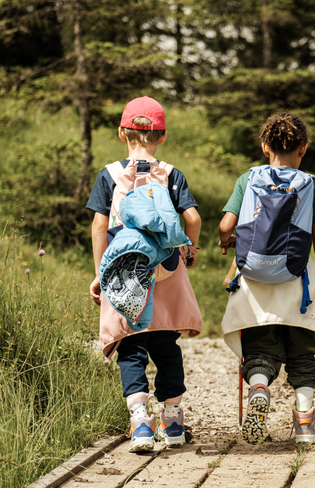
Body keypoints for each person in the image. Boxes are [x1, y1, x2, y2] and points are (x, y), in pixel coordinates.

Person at [86, 96, 203, 452]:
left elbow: (98, 226)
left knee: (132, 346)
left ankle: (140, 423)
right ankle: (172, 420)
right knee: (167, 346)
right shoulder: (171, 174)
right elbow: (193, 219)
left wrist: (99, 273)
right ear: (162, 136)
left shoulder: (109, 174)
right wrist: (189, 249)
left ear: (123, 132)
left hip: (125, 272)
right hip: (166, 270)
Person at [218, 113, 315, 444]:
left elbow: (226, 226)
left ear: (264, 147)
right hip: (297, 276)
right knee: (302, 354)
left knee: (260, 347)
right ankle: (304, 425)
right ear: (303, 149)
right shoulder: (309, 183)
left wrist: (225, 242)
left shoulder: (248, 179)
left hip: (255, 279)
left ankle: (259, 391)